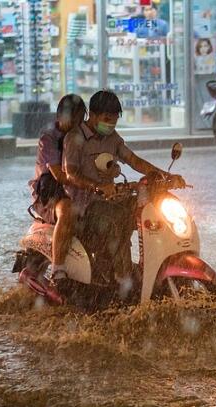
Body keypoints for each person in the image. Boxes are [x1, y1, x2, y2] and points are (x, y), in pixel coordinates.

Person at [63, 90, 183, 289]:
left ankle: (150, 268)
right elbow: (71, 174)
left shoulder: (112, 138)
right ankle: (123, 278)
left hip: (109, 203)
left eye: (114, 121)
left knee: (149, 210)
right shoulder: (75, 138)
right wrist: (98, 187)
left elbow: (134, 160)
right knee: (119, 217)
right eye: (106, 119)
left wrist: (165, 176)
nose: (110, 125)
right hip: (84, 209)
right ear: (92, 115)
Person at [26, 94, 86, 305]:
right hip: (51, 194)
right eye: (73, 119)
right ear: (60, 115)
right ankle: (58, 270)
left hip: (79, 192)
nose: (76, 124)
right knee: (67, 211)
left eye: (80, 119)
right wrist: (92, 183)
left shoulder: (84, 136)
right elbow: (60, 176)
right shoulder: (49, 138)